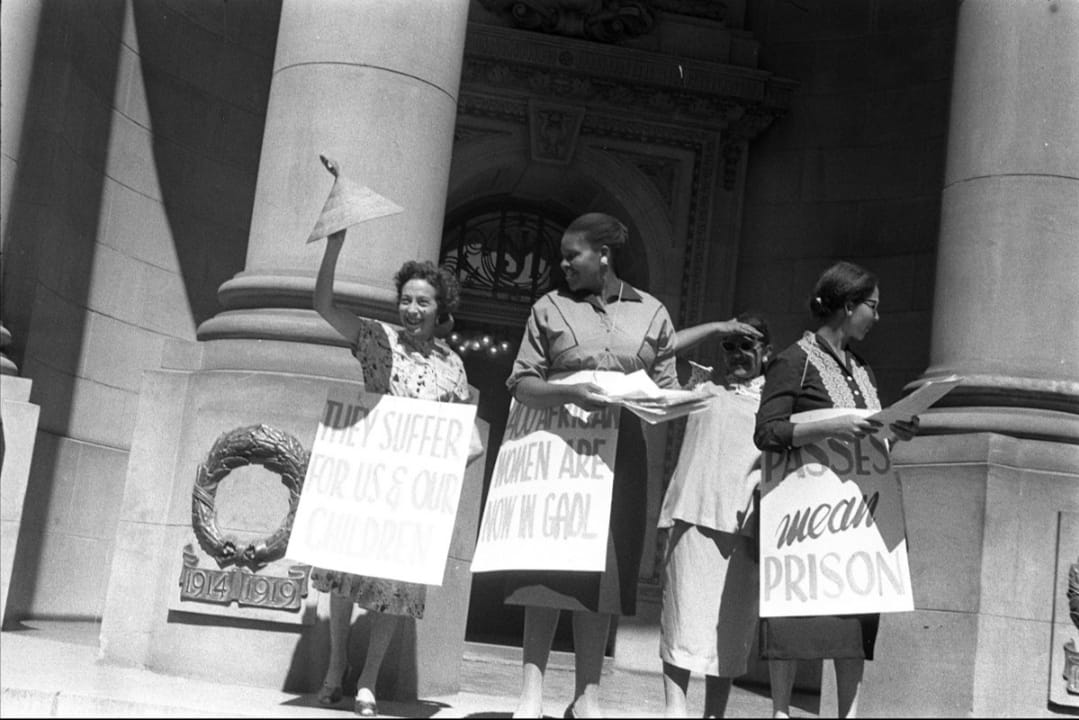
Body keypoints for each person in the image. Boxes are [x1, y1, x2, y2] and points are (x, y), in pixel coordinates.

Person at [503, 212, 679, 719]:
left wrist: (673, 398)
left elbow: (665, 388)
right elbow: (520, 382)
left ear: (603, 255)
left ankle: (588, 696)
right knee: (548, 567)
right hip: (557, 450)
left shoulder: (652, 312)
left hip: (622, 456)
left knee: (605, 573)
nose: (562, 265)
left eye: (571, 255)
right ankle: (530, 693)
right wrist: (568, 389)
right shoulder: (549, 307)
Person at [311, 227, 478, 717]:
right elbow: (323, 305)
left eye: (422, 302)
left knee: (393, 587)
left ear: (440, 307)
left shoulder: (453, 366)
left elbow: (462, 436)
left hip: (411, 492)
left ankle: (368, 680)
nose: (411, 309)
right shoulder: (377, 339)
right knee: (344, 573)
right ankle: (336, 663)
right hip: (365, 478)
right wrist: (335, 247)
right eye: (406, 300)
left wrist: (447, 468)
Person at [753, 261, 919, 719]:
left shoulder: (861, 368)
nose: (877, 317)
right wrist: (834, 423)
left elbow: (869, 431)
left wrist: (893, 427)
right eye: (872, 306)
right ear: (848, 306)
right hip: (806, 516)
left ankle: (849, 714)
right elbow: (767, 433)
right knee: (793, 616)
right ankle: (781, 712)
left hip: (856, 516)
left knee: (854, 621)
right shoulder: (794, 360)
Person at [658, 312, 770, 718]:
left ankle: (714, 715)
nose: (737, 354)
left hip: (744, 526)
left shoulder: (776, 402)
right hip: (691, 516)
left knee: (729, 630)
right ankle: (676, 711)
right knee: (682, 620)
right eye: (731, 346)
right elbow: (656, 347)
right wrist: (718, 327)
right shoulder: (701, 386)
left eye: (747, 345)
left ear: (766, 352)